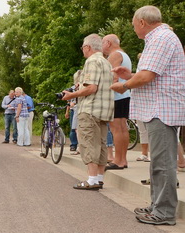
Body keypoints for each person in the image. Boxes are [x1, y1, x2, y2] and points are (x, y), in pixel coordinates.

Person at [111, 5, 185, 225]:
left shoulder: (161, 38)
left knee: (163, 164)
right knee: (158, 163)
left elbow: (147, 77)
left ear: (142, 22)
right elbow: (149, 75)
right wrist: (130, 75)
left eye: (134, 25)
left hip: (161, 109)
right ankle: (157, 206)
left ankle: (164, 212)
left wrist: (124, 85)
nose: (134, 29)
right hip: (158, 108)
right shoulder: (160, 38)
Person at [62, 34, 114, 190]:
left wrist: (72, 95)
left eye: (83, 47)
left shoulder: (91, 61)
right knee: (101, 144)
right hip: (105, 110)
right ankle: (99, 178)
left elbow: (91, 88)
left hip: (90, 109)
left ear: (88, 47)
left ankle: (91, 180)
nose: (82, 50)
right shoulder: (106, 62)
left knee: (88, 143)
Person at [102, 34, 132, 170]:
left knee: (116, 128)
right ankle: (123, 159)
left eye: (103, 43)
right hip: (125, 94)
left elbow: (112, 76)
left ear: (108, 43)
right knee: (123, 128)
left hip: (116, 95)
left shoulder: (114, 55)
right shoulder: (124, 54)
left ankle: (118, 160)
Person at [65, 70, 81, 153]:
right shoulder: (72, 88)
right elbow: (69, 101)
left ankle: (79, 146)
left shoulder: (82, 87)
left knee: (77, 129)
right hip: (72, 109)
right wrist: (67, 111)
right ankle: (74, 145)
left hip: (78, 108)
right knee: (73, 128)